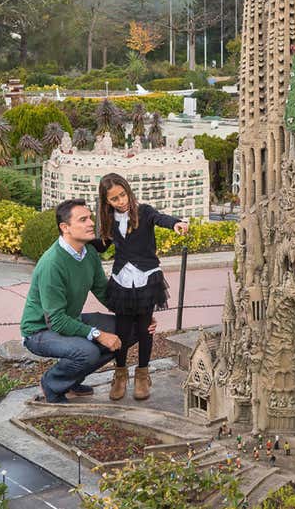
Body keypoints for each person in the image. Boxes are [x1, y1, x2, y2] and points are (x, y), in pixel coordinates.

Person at [20, 199, 156, 404]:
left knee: (133, 329)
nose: (91, 223)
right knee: (89, 352)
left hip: (70, 320)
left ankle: (71, 381)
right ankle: (52, 384)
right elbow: (55, 321)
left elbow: (104, 292)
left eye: (90, 218)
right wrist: (98, 335)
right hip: (40, 330)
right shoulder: (52, 263)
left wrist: (140, 314)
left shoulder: (88, 253)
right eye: (83, 219)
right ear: (65, 228)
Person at [92, 173, 189, 401]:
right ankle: (120, 374)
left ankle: (143, 375)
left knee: (145, 328)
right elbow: (102, 245)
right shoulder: (108, 220)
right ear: (107, 201)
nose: (121, 201)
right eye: (114, 199)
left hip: (146, 277)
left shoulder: (144, 211)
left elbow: (160, 218)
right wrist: (81, 239)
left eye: (123, 195)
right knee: (123, 330)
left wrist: (175, 223)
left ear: (128, 191)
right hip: (123, 279)